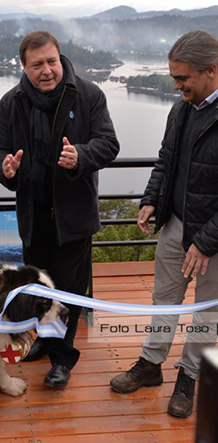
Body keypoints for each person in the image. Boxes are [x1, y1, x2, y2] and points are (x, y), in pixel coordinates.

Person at [0, 31, 119, 388]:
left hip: (73, 217)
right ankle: (44, 341)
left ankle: (62, 360)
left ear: (60, 59)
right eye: (37, 65)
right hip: (34, 217)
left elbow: (108, 144)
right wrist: (5, 168)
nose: (47, 71)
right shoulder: (12, 102)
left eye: (52, 62)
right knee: (39, 289)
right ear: (24, 66)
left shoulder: (88, 95)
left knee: (68, 292)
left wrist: (81, 156)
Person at [110, 30, 218, 418]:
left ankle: (189, 377)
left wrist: (205, 242)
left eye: (183, 78)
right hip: (175, 226)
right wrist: (150, 201)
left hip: (213, 241)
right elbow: (165, 161)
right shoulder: (181, 109)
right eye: (173, 77)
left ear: (212, 70)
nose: (176, 85)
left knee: (207, 313)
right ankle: (151, 365)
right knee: (164, 299)